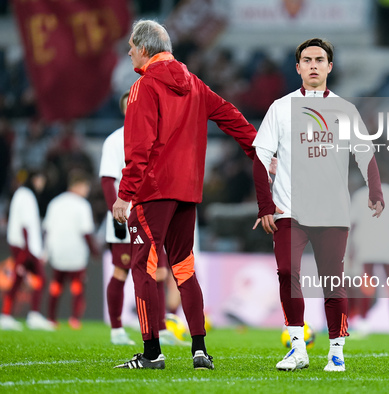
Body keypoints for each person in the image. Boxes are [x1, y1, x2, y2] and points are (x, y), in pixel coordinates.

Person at [112, 20, 257, 370]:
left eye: (132, 46)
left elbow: (139, 148)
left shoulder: (143, 86)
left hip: (153, 191)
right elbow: (229, 115)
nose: (129, 51)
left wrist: (124, 194)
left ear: (145, 48)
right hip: (188, 192)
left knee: (143, 267)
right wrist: (259, 148)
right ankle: (199, 348)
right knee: (184, 268)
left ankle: (151, 353)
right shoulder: (194, 84)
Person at [252, 38, 384, 372]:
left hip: (331, 211)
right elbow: (260, 156)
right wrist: (265, 205)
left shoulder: (345, 109)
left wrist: (375, 191)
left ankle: (336, 351)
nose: (313, 65)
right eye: (307, 60)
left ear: (329, 67)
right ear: (297, 67)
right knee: (287, 273)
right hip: (288, 210)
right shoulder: (280, 108)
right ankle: (297, 348)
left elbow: (365, 154)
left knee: (332, 282)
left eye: (319, 59)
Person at [100, 91, 180, 346]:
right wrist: (116, 212)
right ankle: (117, 330)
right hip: (125, 218)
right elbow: (107, 180)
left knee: (158, 272)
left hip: (152, 216)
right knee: (122, 271)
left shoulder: (155, 137)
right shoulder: (115, 141)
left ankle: (162, 329)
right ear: (125, 111)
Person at [349, 182, 389, 339]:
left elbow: (353, 224)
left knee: (367, 286)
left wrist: (352, 250)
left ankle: (364, 322)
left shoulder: (360, 195)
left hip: (366, 245)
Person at [1, 169, 55, 331]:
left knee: (18, 281)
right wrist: (29, 251)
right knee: (40, 279)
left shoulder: (24, 195)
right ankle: (32, 315)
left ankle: (7, 315)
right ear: (33, 179)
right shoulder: (26, 195)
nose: (41, 184)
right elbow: (25, 225)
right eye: (39, 179)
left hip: (24, 246)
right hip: (24, 247)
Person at [44, 171, 97, 329]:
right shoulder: (82, 205)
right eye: (86, 187)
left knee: (56, 285)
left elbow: (46, 228)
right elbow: (86, 232)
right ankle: (74, 319)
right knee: (77, 286)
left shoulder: (55, 203)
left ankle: (51, 319)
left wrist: (46, 250)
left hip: (57, 251)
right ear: (79, 186)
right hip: (76, 252)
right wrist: (94, 251)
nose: (86, 191)